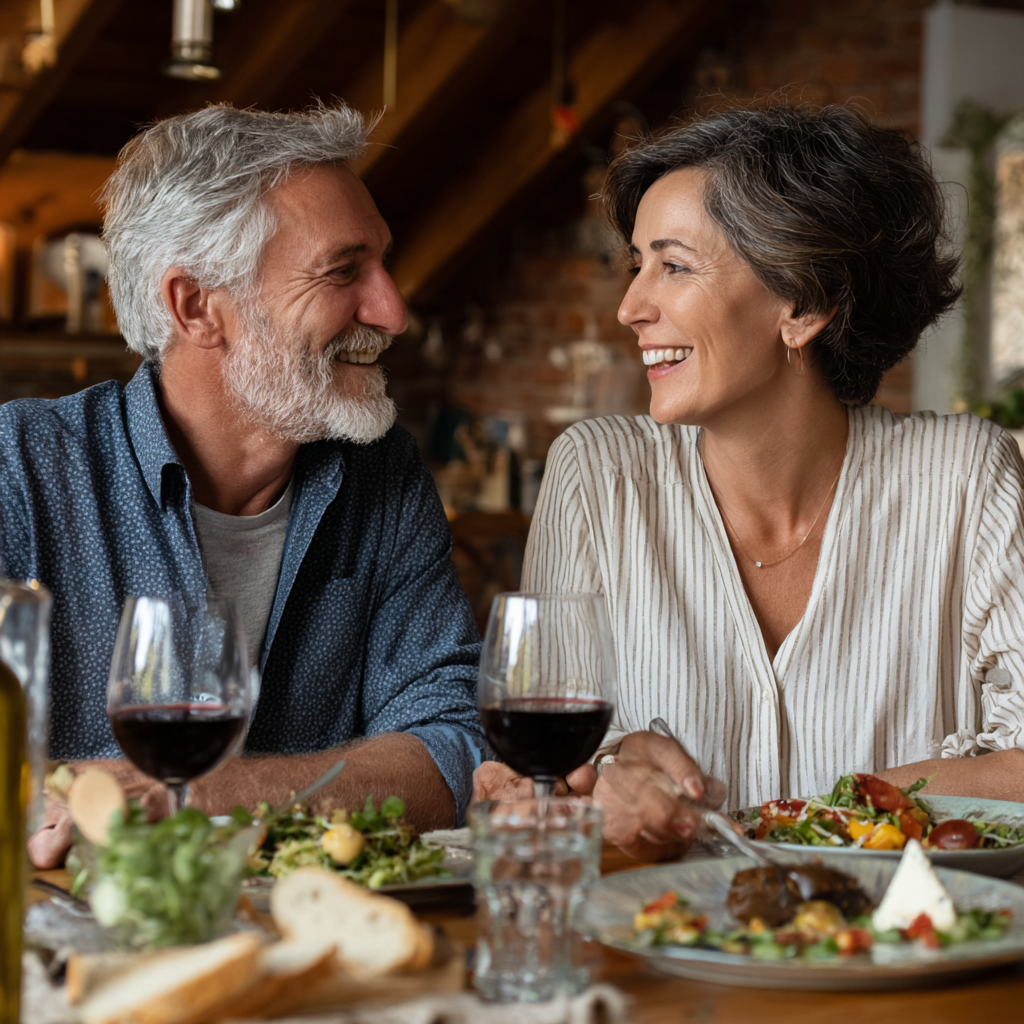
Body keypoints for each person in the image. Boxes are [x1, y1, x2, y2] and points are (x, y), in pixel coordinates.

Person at [474, 104, 1024, 861]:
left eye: (673, 265)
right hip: (667, 947)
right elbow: (553, 772)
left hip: (909, 956)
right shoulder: (597, 477)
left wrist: (804, 823)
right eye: (636, 264)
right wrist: (602, 780)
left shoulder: (967, 478)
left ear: (802, 303)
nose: (630, 307)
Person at [0, 102, 486, 868]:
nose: (392, 310)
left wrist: (200, 796)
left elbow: (452, 745)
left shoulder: (383, 476)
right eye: (342, 271)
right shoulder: (18, 470)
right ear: (196, 306)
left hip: (318, 945)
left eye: (383, 264)